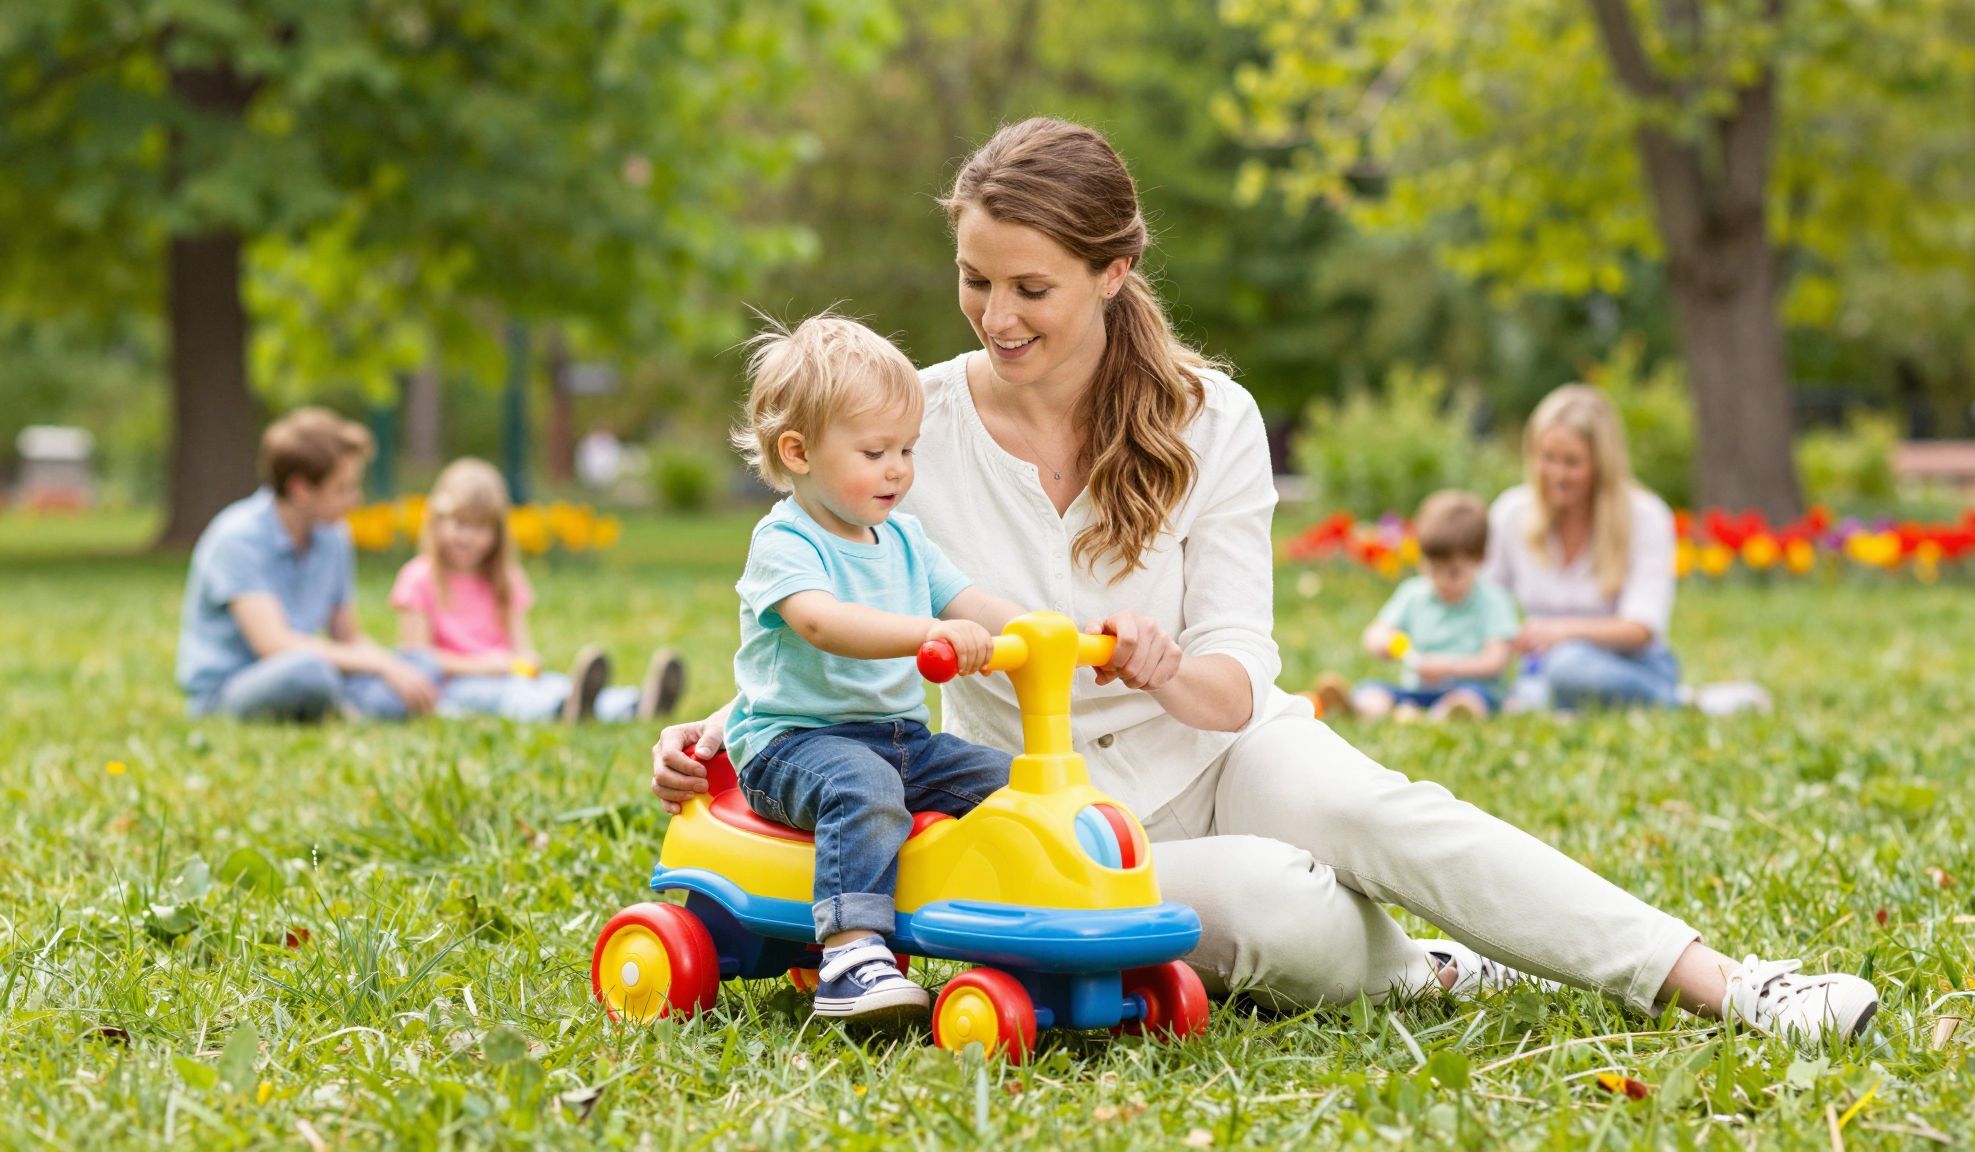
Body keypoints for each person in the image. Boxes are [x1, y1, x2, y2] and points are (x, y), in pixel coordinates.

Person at [655, 119, 1877, 1043]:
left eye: (1030, 287)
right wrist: (719, 728)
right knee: (1280, 911)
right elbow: (819, 590)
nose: (995, 316)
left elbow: (1238, 678)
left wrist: (1169, 665)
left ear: (1113, 269)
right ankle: (1433, 969)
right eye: (975, 280)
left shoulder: (1209, 417)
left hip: (1219, 747)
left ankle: (1724, 983)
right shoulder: (901, 422)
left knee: (1380, 815)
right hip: (1042, 803)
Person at [719, 311, 1033, 1022]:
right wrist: (929, 633)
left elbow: (968, 599)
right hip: (794, 745)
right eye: (874, 452)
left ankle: (1018, 928)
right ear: (798, 453)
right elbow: (823, 623)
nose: (898, 469)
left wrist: (1045, 634)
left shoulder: (905, 539)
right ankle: (852, 951)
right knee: (861, 786)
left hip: (900, 739)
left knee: (1010, 785)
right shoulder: (786, 542)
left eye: (907, 450)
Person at [176, 407, 440, 721]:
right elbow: (273, 644)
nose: (355, 498)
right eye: (342, 488)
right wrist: (382, 666)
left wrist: (396, 667)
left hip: (316, 670)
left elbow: (347, 636)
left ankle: (349, 708)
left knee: (422, 665)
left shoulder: (334, 536)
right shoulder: (237, 538)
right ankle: (353, 710)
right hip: (233, 689)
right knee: (309, 672)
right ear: (301, 489)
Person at [390, 457, 683, 724]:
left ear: (497, 534)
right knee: (512, 698)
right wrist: (481, 666)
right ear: (437, 522)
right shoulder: (418, 578)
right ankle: (563, 709)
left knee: (554, 683)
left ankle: (635, 703)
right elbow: (417, 658)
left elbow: (521, 644)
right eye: (459, 524)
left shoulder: (505, 577)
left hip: (509, 675)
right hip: (453, 686)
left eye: (480, 528)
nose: (467, 537)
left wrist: (527, 660)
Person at [1481, 386, 1682, 712]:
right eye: (1547, 458)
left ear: (1601, 465)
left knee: (1566, 666)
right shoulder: (1510, 513)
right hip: (1539, 670)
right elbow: (1485, 601)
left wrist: (1559, 632)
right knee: (1525, 695)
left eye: (1572, 462)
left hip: (1632, 665)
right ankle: (1569, 707)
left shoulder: (1645, 516)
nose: (1556, 475)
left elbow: (1642, 628)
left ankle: (1676, 702)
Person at [1316, 490, 1518, 722]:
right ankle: (1360, 708)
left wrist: (1448, 667)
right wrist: (1385, 642)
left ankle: (1443, 714)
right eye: (1432, 570)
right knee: (1372, 690)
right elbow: (1373, 634)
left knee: (1470, 699)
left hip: (1471, 688)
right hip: (1418, 690)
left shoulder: (1493, 600)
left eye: (1453, 573)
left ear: (1480, 559)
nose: (1441, 581)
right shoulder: (1414, 593)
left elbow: (1496, 661)